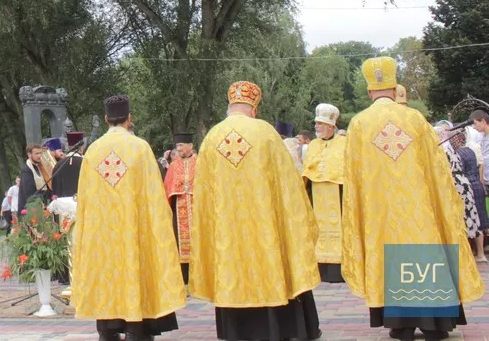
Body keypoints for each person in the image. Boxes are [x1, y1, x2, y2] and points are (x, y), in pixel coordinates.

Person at [342, 57, 484, 340]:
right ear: (395, 90)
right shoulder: (415, 119)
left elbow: (352, 176)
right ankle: (434, 324)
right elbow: (438, 170)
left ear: (370, 92)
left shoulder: (358, 124)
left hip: (380, 213)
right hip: (420, 211)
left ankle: (401, 325)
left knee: (389, 257)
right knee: (423, 253)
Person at [190, 81, 321, 341]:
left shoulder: (212, 137)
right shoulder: (266, 133)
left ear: (230, 106)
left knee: (232, 270)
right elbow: (288, 185)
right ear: (254, 108)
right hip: (264, 229)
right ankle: (278, 330)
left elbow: (203, 196)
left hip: (228, 232)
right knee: (270, 268)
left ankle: (236, 332)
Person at [73, 94, 184, 341]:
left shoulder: (93, 151)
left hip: (103, 236)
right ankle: (136, 330)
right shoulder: (140, 147)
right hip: (135, 231)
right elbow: (155, 196)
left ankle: (107, 329)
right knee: (134, 273)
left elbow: (85, 198)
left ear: (106, 119)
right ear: (129, 118)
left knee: (107, 276)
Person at [301, 104, 347, 283]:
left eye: (320, 124)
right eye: (316, 123)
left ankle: (339, 271)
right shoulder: (312, 145)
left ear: (331, 126)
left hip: (338, 193)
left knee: (339, 230)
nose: (316, 127)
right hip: (317, 193)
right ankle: (321, 270)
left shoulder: (343, 143)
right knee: (319, 231)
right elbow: (308, 168)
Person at [433, 122, 483, 261]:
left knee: (457, 219)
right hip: (463, 184)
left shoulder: (441, 152)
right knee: (466, 219)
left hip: (454, 186)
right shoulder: (451, 149)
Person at [163, 132, 196, 285]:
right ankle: (183, 278)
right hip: (179, 209)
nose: (179, 149)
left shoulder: (199, 162)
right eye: (177, 146)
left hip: (196, 209)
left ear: (191, 146)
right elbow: (167, 187)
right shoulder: (174, 165)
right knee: (179, 243)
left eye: (181, 145)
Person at [51, 132, 84, 199]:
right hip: (80, 203)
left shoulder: (58, 164)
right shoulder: (85, 163)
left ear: (69, 147)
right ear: (80, 148)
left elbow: (55, 187)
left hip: (63, 205)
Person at [18, 143, 50, 211]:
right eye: (36, 153)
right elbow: (29, 192)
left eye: (40, 153)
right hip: (30, 208)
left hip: (40, 204)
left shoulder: (40, 167)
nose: (39, 156)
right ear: (29, 155)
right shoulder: (26, 170)